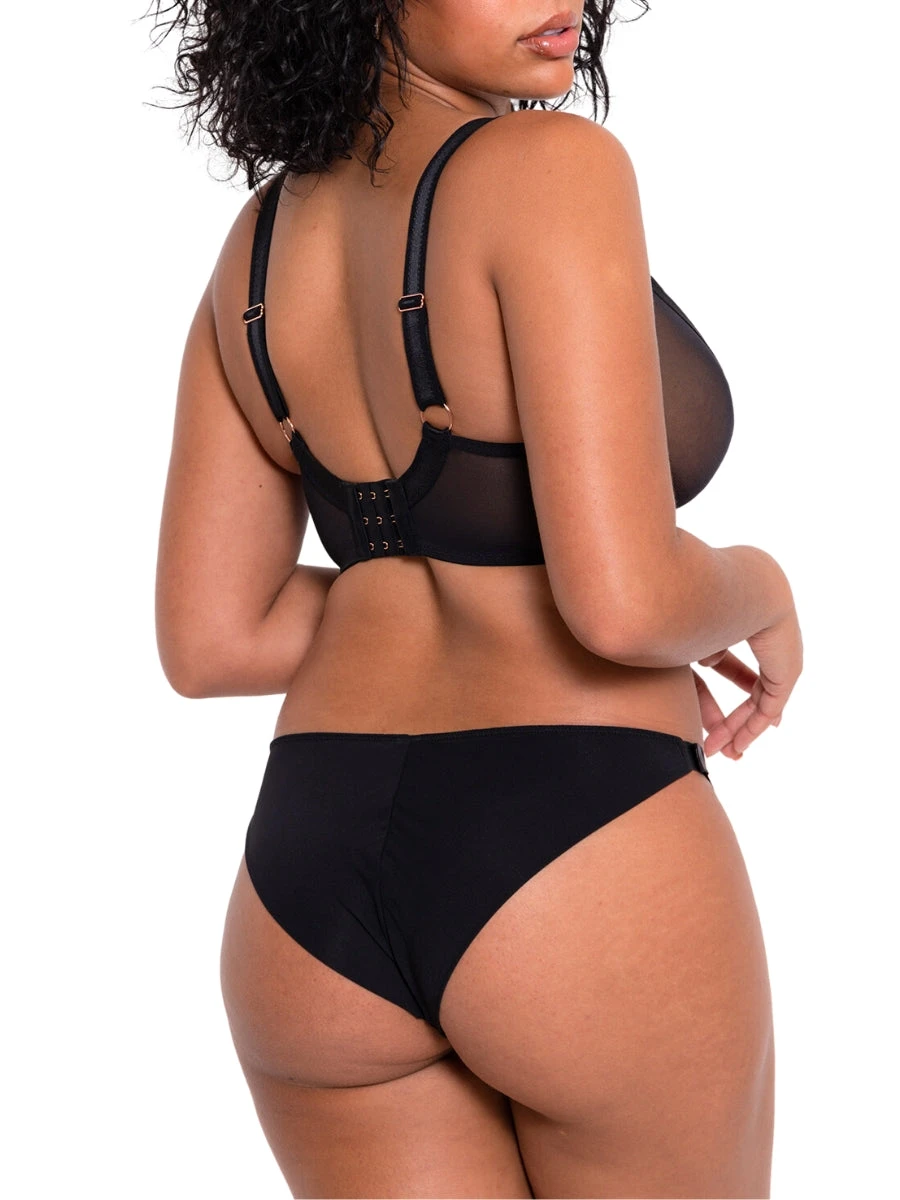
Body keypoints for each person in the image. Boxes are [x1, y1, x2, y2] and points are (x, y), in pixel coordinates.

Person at [152, 2, 803, 1196]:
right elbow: (623, 604)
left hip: (308, 894)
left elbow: (214, 639)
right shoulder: (550, 167)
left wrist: (405, 591)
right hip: (573, 842)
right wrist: (760, 585)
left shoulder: (257, 243)